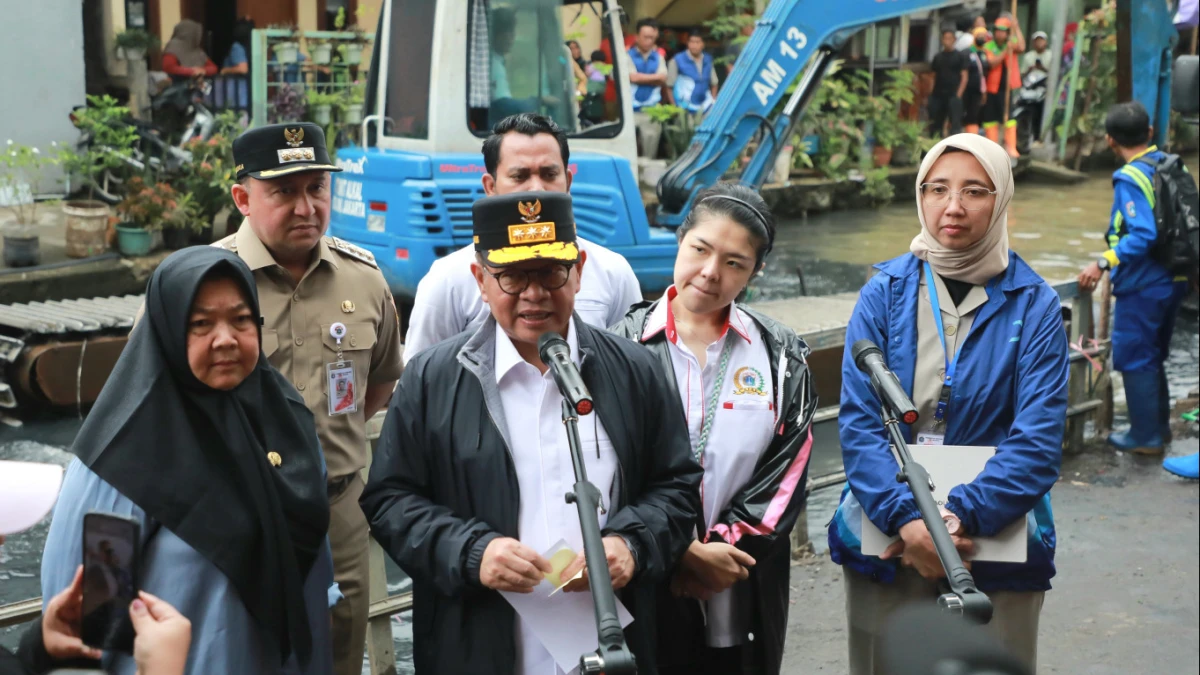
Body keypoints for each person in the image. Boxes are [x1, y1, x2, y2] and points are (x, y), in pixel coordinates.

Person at [361, 190, 703, 674]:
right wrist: (472, 552)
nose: (534, 293)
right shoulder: (432, 379)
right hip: (479, 643)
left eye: (550, 272)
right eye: (512, 276)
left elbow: (677, 484)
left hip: (615, 644)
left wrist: (632, 544)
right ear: (480, 280)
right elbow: (390, 500)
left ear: (579, 270)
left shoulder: (636, 369)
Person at [828, 134, 1068, 675]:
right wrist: (908, 520)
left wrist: (956, 520)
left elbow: (1037, 439)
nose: (952, 206)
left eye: (974, 190)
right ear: (920, 195)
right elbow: (862, 425)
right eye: (937, 188)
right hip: (888, 530)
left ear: (1002, 199)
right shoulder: (884, 293)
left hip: (993, 535)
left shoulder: (1035, 305)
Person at [41, 247, 337, 674]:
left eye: (240, 319)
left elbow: (314, 565)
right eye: (200, 324)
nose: (225, 339)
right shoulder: (125, 456)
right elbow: (92, 619)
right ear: (166, 333)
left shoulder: (287, 421)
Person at [207, 122, 403, 675]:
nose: (305, 206)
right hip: (237, 513)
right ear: (243, 198)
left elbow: (380, 382)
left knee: (339, 654)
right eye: (284, 191)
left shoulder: (363, 279)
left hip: (337, 513)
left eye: (316, 187)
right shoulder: (203, 282)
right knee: (239, 651)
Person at [612, 183, 819, 675]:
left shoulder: (779, 354)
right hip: (643, 569)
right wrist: (678, 551)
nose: (710, 273)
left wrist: (720, 553)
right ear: (679, 241)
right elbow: (608, 464)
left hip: (740, 573)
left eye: (734, 263)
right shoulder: (620, 345)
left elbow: (788, 469)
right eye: (700, 250)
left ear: (755, 272)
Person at [403, 113, 642, 363]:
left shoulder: (613, 272)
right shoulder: (449, 279)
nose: (536, 189)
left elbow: (630, 368)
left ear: (568, 181)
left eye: (549, 175)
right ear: (490, 187)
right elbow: (422, 377)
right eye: (520, 176)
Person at [1077, 102, 1190, 461]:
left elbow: (1141, 234)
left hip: (1144, 283)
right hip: (1175, 276)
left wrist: (1102, 261)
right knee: (1154, 355)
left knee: (1136, 358)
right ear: (1151, 133)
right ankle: (1159, 427)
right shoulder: (1169, 164)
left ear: (1110, 140)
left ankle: (1144, 437)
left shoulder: (1130, 177)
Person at [982, 15, 1025, 157]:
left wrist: (1016, 27)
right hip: (992, 88)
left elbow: (1022, 46)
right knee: (990, 119)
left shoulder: (1011, 43)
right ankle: (992, 149)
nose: (1000, 34)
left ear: (1007, 33)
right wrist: (1005, 51)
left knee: (1009, 118)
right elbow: (992, 63)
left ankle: (1011, 147)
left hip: (1007, 88)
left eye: (1003, 31)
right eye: (998, 31)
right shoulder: (989, 46)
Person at [629, 17, 668, 158]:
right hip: (629, 111)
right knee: (629, 151)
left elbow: (663, 78)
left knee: (649, 154)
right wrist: (654, 78)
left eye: (652, 38)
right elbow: (631, 77)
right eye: (645, 37)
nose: (649, 41)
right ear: (637, 37)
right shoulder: (627, 55)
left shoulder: (658, 57)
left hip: (651, 111)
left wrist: (639, 77)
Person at [928, 28, 970, 138]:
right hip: (938, 94)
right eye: (945, 38)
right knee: (935, 124)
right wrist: (931, 94)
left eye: (949, 38)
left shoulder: (960, 56)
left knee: (955, 125)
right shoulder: (938, 57)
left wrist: (958, 95)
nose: (947, 41)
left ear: (954, 40)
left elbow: (964, 77)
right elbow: (933, 76)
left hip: (954, 94)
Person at [666, 31, 718, 115]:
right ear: (687, 43)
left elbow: (714, 83)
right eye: (691, 42)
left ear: (703, 44)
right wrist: (675, 108)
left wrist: (713, 102)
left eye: (697, 42)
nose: (694, 45)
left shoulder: (708, 60)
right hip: (684, 109)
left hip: (705, 107)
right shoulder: (677, 60)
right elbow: (669, 87)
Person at [1019, 31, 1050, 141]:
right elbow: (1022, 74)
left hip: (1044, 89)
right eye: (1037, 41)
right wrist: (1030, 69)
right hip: (1030, 87)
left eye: (1041, 40)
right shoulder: (1028, 56)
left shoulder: (1050, 55)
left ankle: (1039, 137)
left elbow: (1054, 74)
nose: (1039, 43)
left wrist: (1042, 68)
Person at [963, 27, 991, 135]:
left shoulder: (985, 53)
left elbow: (984, 73)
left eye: (983, 36)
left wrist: (984, 91)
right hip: (966, 89)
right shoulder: (967, 52)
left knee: (975, 115)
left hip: (979, 91)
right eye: (979, 36)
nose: (981, 38)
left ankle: (972, 136)